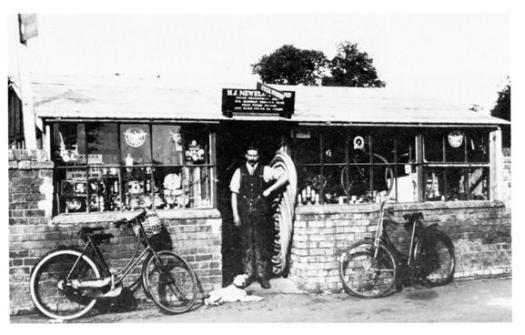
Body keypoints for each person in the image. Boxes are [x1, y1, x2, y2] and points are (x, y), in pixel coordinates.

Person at [229, 144, 288, 289]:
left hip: (261, 214)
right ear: (246, 156)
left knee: (261, 244)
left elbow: (284, 177)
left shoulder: (265, 170)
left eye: (255, 155)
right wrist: (236, 215)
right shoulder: (239, 172)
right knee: (247, 245)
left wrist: (269, 190)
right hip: (244, 214)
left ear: (258, 157)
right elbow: (233, 194)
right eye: (250, 155)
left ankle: (262, 276)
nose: (252, 158)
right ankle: (248, 275)